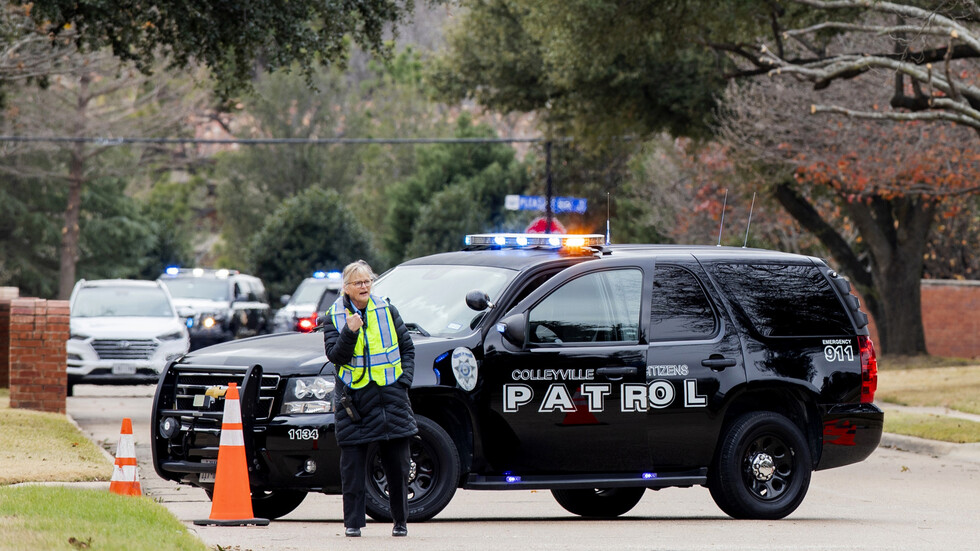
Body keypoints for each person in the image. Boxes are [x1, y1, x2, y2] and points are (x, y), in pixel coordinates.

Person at [322, 260, 417, 538]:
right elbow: (336, 357)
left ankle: (400, 522)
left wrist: (404, 383)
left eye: (367, 281)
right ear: (346, 288)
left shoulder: (387, 310)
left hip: (391, 398)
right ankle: (353, 524)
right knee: (352, 468)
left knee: (398, 467)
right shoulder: (334, 316)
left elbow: (407, 349)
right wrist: (349, 332)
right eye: (358, 283)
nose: (364, 286)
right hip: (354, 403)